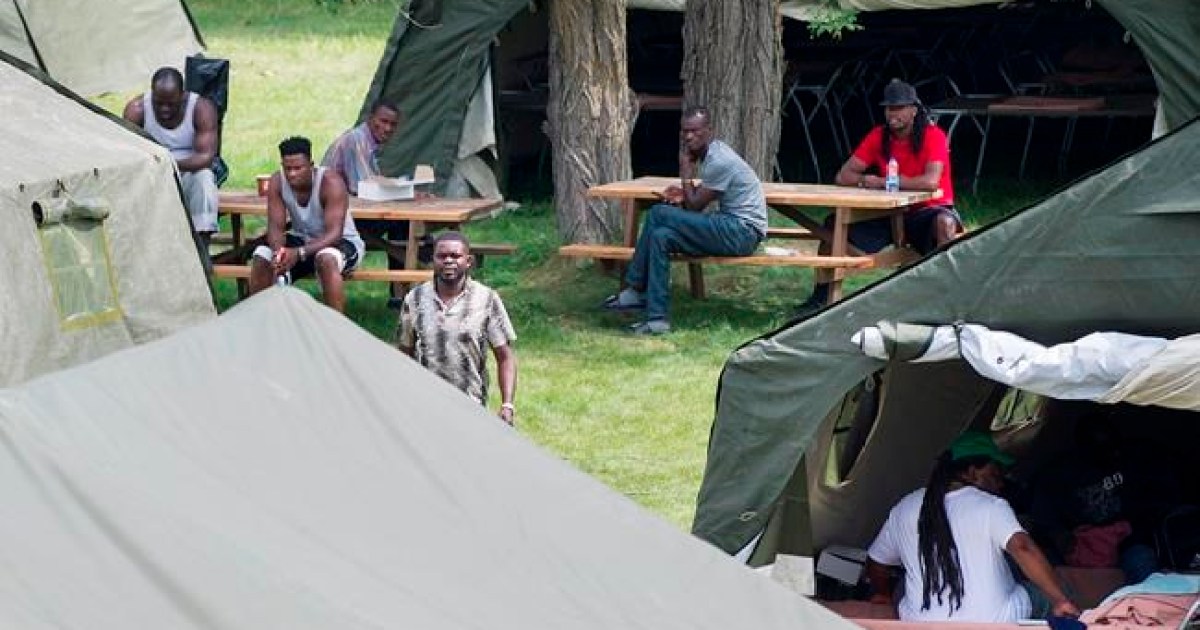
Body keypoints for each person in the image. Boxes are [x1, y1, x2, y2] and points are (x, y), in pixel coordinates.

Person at [866, 432, 1079, 623]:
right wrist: (1059, 600)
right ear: (970, 472)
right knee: (1056, 588)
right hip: (993, 620)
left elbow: (876, 563)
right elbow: (1022, 548)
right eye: (995, 475)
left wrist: (882, 595)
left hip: (920, 621)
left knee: (907, 582)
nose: (1000, 483)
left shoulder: (905, 507)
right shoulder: (991, 506)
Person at [796, 79, 961, 313]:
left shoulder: (933, 135)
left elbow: (930, 182)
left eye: (898, 108)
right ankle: (821, 299)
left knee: (945, 223)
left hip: (927, 209)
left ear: (914, 110)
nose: (892, 113)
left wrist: (884, 182)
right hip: (888, 211)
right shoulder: (878, 135)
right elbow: (844, 175)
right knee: (832, 228)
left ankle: (947, 296)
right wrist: (866, 181)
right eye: (888, 108)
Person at [602, 107, 767, 335]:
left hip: (742, 232)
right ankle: (657, 320)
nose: (689, 136)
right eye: (684, 131)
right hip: (729, 226)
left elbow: (694, 206)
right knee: (661, 237)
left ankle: (636, 288)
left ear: (709, 131)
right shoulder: (713, 155)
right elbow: (699, 198)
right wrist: (686, 191)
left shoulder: (721, 160)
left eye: (695, 131)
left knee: (659, 214)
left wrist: (686, 173)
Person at [1028, 415, 1174, 584]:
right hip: (1085, 555)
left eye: (1115, 445)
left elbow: (1153, 502)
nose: (1114, 453)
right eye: (1105, 448)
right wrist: (1069, 541)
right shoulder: (1060, 476)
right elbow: (1045, 522)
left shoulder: (1130, 462)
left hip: (1127, 546)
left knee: (1143, 559)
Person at [396, 232, 518, 425]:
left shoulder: (486, 299)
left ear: (468, 261)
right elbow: (404, 353)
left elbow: (505, 357)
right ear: (432, 260)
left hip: (471, 403)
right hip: (424, 405)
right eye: (442, 256)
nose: (448, 261)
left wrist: (507, 405)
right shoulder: (415, 299)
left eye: (455, 256)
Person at [247, 136, 365, 313]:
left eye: (298, 168)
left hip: (340, 243)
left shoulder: (331, 182)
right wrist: (280, 256)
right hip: (302, 240)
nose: (292, 174)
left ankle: (335, 326)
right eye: (288, 168)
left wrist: (300, 253)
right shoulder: (277, 182)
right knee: (262, 255)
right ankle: (260, 320)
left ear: (311, 165)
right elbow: (275, 227)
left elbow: (335, 234)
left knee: (326, 259)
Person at [322, 100, 412, 309]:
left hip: (347, 211)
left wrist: (409, 191)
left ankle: (402, 288)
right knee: (402, 224)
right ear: (371, 119)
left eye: (392, 124)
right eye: (383, 121)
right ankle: (401, 291)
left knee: (404, 225)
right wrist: (404, 191)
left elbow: (372, 182)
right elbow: (363, 188)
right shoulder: (357, 141)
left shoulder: (367, 144)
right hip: (335, 217)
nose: (387, 128)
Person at [123, 67, 220, 259]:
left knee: (205, 179)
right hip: (151, 174)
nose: (164, 109)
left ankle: (202, 248)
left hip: (188, 171)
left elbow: (206, 157)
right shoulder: (137, 110)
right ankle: (139, 250)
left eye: (171, 104)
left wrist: (168, 163)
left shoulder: (201, 109)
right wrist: (156, 166)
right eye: (158, 103)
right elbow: (128, 155)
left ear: (182, 96)